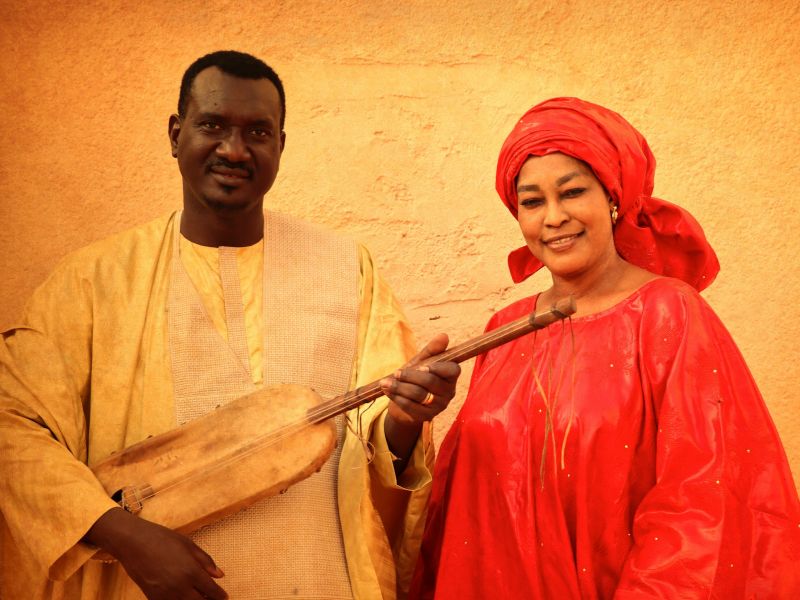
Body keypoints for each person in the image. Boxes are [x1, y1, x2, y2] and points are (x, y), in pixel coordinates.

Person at [0, 50, 461, 600]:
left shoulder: (347, 267)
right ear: (176, 135)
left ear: (280, 146)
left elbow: (381, 437)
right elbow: (14, 427)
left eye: (257, 132)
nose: (235, 150)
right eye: (213, 125)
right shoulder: (92, 280)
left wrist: (406, 418)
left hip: (319, 581)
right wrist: (123, 534)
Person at [411, 97, 800, 599]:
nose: (554, 217)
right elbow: (464, 503)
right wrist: (405, 423)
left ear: (613, 197)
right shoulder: (505, 329)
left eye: (572, 192)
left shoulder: (668, 313)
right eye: (532, 202)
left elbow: (699, 496)